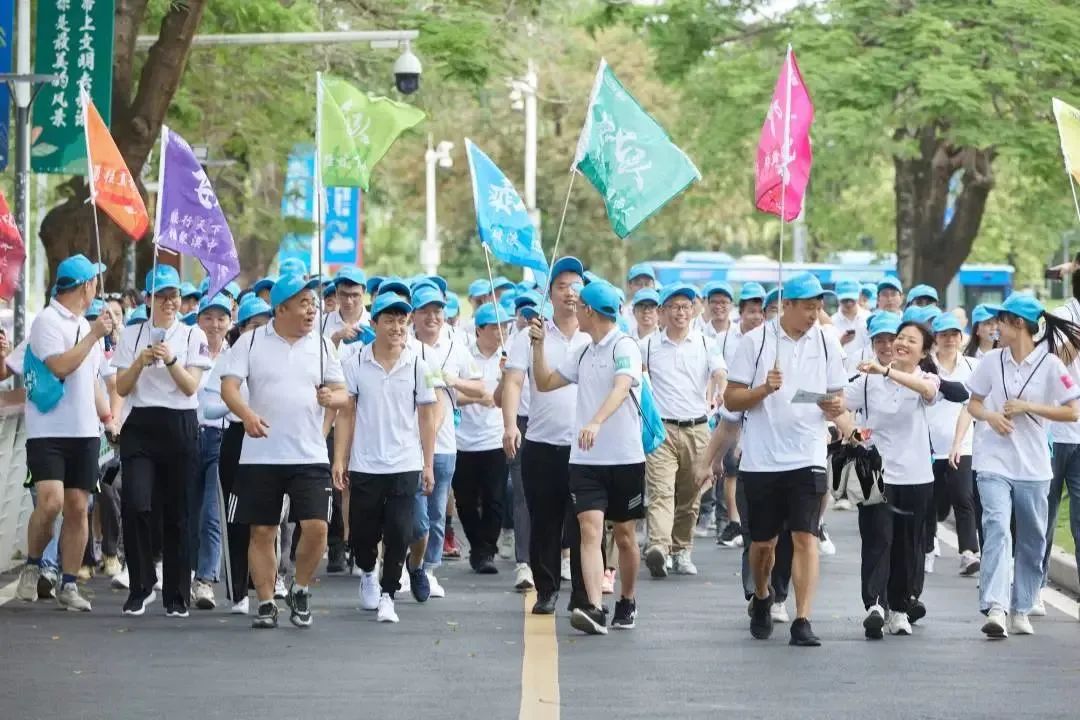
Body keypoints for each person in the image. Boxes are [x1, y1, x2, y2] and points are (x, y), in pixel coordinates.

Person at [724, 272, 847, 647]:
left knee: (805, 537)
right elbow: (731, 400)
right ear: (787, 305)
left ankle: (803, 619)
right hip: (762, 460)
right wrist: (764, 389)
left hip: (807, 453)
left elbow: (837, 398)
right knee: (763, 546)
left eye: (818, 306)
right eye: (808, 306)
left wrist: (833, 407)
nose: (814, 314)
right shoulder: (755, 342)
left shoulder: (827, 342)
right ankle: (762, 597)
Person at [220, 273, 347, 629]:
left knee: (317, 527)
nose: (312, 311)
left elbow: (343, 396)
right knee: (262, 531)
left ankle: (301, 588)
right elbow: (229, 387)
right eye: (305, 303)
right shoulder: (251, 342)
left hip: (309, 454)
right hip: (261, 454)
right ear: (282, 307)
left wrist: (330, 397)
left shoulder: (322, 345)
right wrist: (246, 415)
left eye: (314, 304)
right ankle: (264, 601)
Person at [531, 279, 646, 635]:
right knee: (589, 529)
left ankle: (627, 599)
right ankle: (594, 607)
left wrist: (595, 421)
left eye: (579, 305)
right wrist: (537, 348)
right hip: (586, 462)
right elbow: (546, 382)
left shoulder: (623, 345)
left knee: (624, 535)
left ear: (590, 311)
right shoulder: (582, 350)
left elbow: (622, 386)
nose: (573, 309)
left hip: (625, 458)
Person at [965, 293, 1080, 638]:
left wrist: (1031, 408)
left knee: (1032, 540)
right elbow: (973, 404)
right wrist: (990, 417)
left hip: (1033, 467)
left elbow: (1072, 410)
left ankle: (1023, 604)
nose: (995, 327)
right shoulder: (990, 361)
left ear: (1019, 325)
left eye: (1001, 320)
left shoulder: (1052, 366)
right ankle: (996, 607)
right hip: (992, 461)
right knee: (997, 527)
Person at [13, 254, 116, 612]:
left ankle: (68, 583)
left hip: (85, 431)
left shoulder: (89, 325)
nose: (97, 288)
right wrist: (93, 335)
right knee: (51, 501)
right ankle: (33, 563)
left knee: (77, 507)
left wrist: (108, 418)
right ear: (86, 286)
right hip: (48, 431)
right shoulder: (48, 321)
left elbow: (93, 380)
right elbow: (60, 365)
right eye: (95, 282)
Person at [834, 318, 945, 638]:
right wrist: (850, 429)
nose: (901, 344)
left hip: (916, 476)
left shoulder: (927, 379)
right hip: (876, 475)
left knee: (908, 546)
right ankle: (874, 606)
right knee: (877, 540)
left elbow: (926, 391)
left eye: (911, 341)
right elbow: (837, 404)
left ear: (923, 352)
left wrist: (886, 371)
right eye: (900, 338)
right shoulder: (868, 382)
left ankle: (898, 609)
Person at [332, 292, 439, 624]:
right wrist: (340, 459)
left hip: (404, 463)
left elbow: (427, 416)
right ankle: (367, 571)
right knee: (364, 534)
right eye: (389, 320)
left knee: (399, 531)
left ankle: (388, 594)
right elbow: (346, 415)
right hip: (365, 463)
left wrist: (427, 463)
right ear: (374, 323)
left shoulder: (420, 365)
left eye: (402, 321)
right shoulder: (354, 364)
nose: (397, 327)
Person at [113, 265, 212, 617]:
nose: (170, 302)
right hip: (141, 424)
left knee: (179, 512)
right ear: (148, 299)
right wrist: (140, 361)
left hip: (180, 424)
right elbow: (121, 388)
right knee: (137, 503)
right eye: (162, 296)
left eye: (175, 296)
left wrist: (170, 359)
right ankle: (141, 584)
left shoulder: (192, 335)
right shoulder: (132, 334)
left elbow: (190, 386)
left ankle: (176, 594)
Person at [502, 257, 592, 616]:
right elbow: (512, 381)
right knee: (544, 521)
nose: (570, 293)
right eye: (562, 286)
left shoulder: (595, 336)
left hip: (586, 449)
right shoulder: (531, 335)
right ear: (549, 293)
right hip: (541, 442)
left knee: (586, 524)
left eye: (577, 286)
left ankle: (584, 596)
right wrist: (510, 425)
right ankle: (547, 589)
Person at [641, 283, 726, 578]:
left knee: (691, 496)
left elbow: (719, 372)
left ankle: (681, 550)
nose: (681, 312)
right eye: (675, 307)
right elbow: (632, 376)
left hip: (697, 429)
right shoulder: (649, 345)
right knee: (661, 492)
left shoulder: (704, 343)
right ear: (662, 312)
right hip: (662, 430)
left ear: (693, 311)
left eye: (686, 306)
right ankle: (658, 548)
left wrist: (719, 390)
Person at [405, 285, 483, 598]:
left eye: (437, 311)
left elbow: (480, 389)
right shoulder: (404, 345)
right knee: (412, 515)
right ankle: (405, 565)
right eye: (424, 311)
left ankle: (428, 569)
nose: (432, 317)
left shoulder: (456, 346)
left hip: (445, 445)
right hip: (408, 445)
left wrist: (453, 381)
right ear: (414, 315)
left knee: (436, 514)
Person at [206, 296, 273, 615]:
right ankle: (237, 591)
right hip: (237, 436)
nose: (260, 332)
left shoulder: (279, 356)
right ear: (241, 328)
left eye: (265, 324)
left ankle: (267, 585)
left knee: (268, 518)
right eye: (254, 326)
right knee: (235, 516)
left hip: (271, 438)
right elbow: (209, 404)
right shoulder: (231, 358)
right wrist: (239, 410)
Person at [453, 302, 513, 574]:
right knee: (465, 500)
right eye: (495, 327)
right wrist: (478, 397)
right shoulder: (464, 357)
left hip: (494, 438)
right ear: (479, 329)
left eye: (505, 326)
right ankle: (477, 544)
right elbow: (452, 394)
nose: (501, 332)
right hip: (463, 439)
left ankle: (486, 550)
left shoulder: (508, 357)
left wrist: (504, 380)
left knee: (495, 499)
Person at [188, 293, 233, 610]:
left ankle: (205, 580)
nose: (214, 324)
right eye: (208, 317)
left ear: (230, 322)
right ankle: (185, 574)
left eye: (221, 318)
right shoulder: (187, 351)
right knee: (186, 512)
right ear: (198, 320)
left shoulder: (236, 357)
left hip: (221, 440)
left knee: (211, 513)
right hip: (186, 438)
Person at [714, 282, 767, 546]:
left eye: (760, 311)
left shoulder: (771, 340)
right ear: (741, 313)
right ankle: (735, 522)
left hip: (762, 410)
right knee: (732, 468)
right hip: (734, 407)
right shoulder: (725, 338)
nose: (756, 316)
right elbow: (720, 371)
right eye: (751, 311)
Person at [930, 314, 981, 576]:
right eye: (943, 335)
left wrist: (958, 443)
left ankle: (968, 552)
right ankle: (928, 544)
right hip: (929, 447)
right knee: (932, 503)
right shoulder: (925, 366)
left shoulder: (972, 366)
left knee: (964, 497)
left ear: (961, 338)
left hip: (962, 445)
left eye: (954, 335)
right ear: (935, 339)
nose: (949, 340)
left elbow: (970, 406)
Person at [1044, 278, 1080, 599]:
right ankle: (1036, 585)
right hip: (1056, 433)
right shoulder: (1063, 315)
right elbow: (1051, 363)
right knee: (1048, 511)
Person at [831, 280, 869, 353]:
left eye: (852, 299)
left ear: (859, 296)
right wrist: (841, 342)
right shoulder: (832, 322)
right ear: (838, 298)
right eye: (845, 300)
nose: (849, 303)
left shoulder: (868, 318)